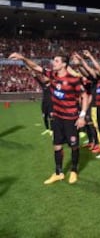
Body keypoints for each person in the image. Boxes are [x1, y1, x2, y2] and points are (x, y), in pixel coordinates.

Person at [9, 52, 89, 184]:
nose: (53, 63)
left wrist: (82, 116)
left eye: (56, 61)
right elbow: (36, 67)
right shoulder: (52, 75)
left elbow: (84, 96)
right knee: (57, 146)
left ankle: (74, 170)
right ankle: (58, 173)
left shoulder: (73, 80)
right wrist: (23, 58)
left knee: (74, 146)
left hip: (71, 119)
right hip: (57, 118)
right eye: (54, 61)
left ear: (64, 64)